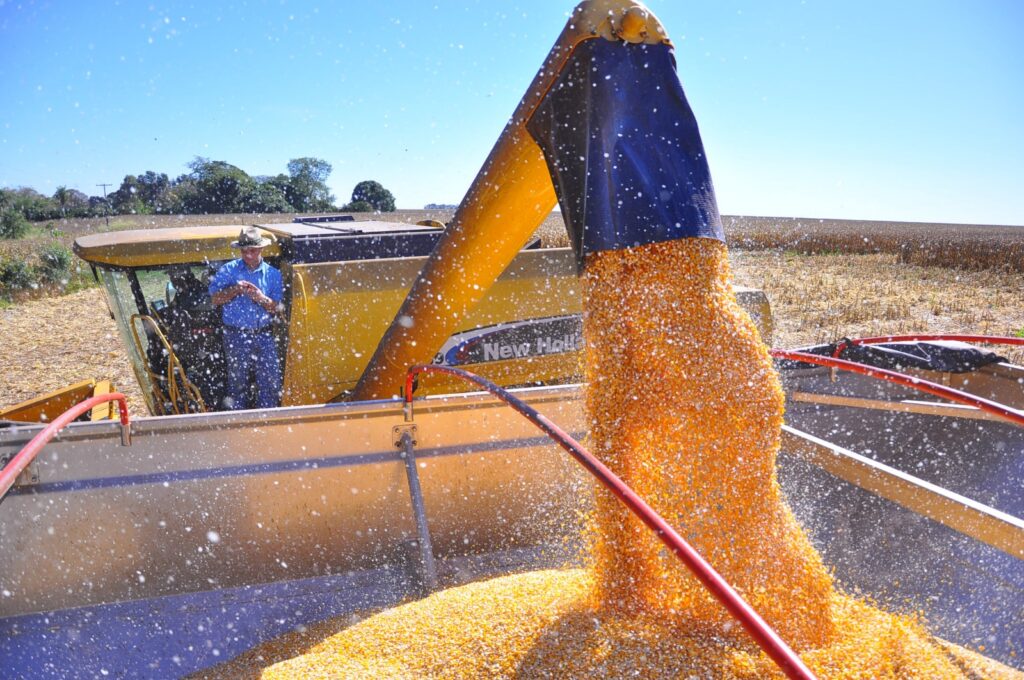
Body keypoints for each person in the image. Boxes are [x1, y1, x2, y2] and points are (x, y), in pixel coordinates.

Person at [208, 227, 283, 410]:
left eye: (252, 251)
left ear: (261, 249)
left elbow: (277, 309)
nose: (248, 255)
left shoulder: (274, 274)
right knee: (237, 384)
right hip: (235, 335)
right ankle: (238, 424)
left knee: (270, 384)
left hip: (264, 335)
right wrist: (236, 289)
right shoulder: (229, 270)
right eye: (244, 251)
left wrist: (259, 297)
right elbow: (215, 299)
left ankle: (268, 422)